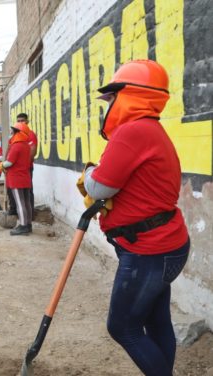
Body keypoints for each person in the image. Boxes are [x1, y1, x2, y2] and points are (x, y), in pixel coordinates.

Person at [80, 59, 189, 376]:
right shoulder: (147, 129)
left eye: (111, 99)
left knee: (123, 326)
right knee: (156, 322)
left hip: (150, 251)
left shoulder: (132, 131)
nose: (108, 106)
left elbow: (99, 187)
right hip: (162, 245)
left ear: (129, 95)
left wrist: (88, 173)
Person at [1, 122, 32, 235]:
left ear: (17, 132)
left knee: (20, 203)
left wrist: (2, 165)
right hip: (25, 177)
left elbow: (9, 162)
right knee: (26, 203)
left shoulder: (16, 146)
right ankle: (28, 224)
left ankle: (23, 226)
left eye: (12, 131)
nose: (11, 133)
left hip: (16, 179)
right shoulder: (26, 145)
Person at [6, 113, 37, 216]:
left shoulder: (30, 134)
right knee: (12, 191)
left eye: (22, 120)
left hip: (25, 168)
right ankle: (14, 211)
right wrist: (5, 164)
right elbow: (9, 150)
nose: (20, 122)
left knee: (26, 194)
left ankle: (29, 215)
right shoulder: (14, 136)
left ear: (27, 121)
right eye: (18, 121)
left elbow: (32, 152)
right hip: (12, 169)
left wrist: (23, 165)